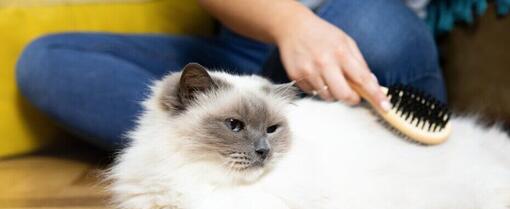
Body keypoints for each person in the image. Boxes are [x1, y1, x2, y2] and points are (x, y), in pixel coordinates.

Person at [16, 0, 446, 149]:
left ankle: (254, 138)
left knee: (373, 28)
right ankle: (229, 138)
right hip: (242, 52)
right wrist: (290, 24)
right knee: (47, 60)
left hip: (369, 43)